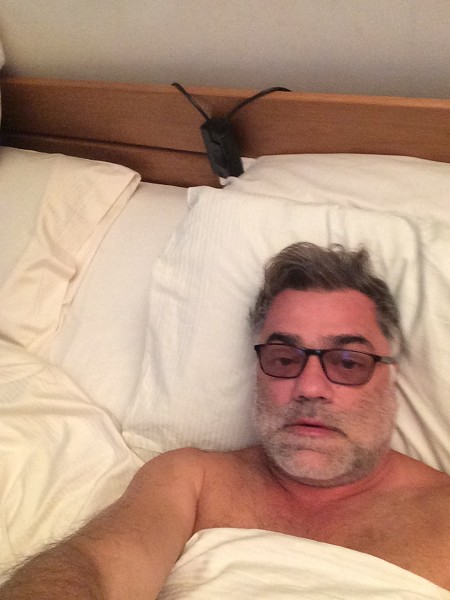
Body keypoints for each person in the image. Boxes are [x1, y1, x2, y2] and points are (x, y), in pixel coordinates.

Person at [1, 242, 449, 598]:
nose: (310, 387)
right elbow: (96, 566)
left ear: (392, 378)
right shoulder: (192, 480)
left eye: (348, 362)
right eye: (283, 358)